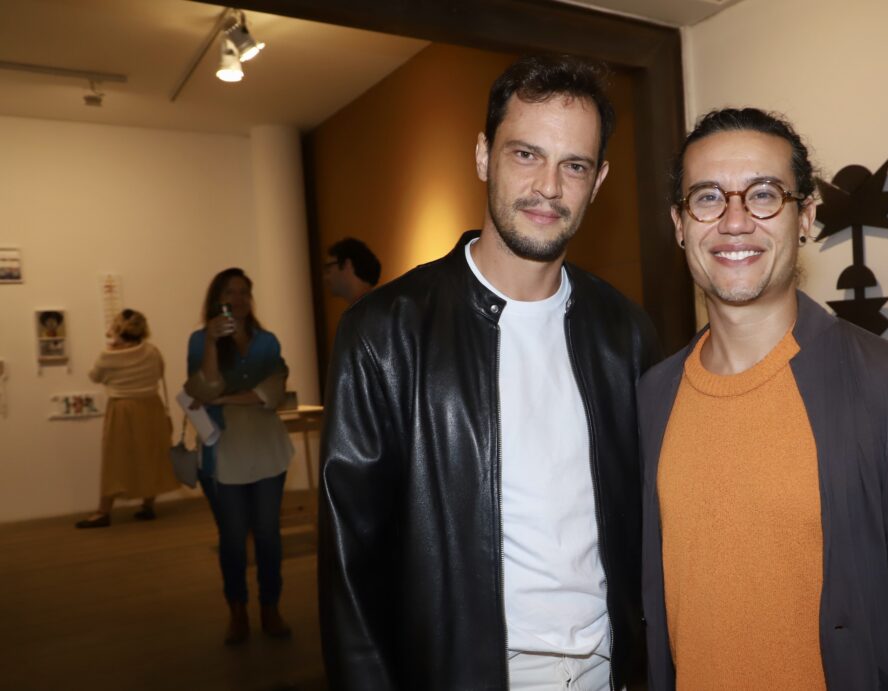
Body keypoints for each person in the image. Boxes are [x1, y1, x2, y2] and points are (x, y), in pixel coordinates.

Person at [319, 55, 660, 690]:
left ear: (599, 180)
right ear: (483, 156)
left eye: (574, 165)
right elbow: (351, 563)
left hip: (609, 672)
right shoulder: (385, 333)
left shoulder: (626, 334)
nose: (549, 187)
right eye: (526, 155)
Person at [639, 108, 888, 691]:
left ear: (806, 217)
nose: (735, 221)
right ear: (679, 223)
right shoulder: (653, 396)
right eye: (707, 198)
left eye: (764, 195)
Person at [185, 268, 294, 645]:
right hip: (224, 453)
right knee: (232, 538)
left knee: (267, 534)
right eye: (230, 292)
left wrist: (225, 398)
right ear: (217, 300)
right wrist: (212, 345)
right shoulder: (200, 341)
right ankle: (237, 610)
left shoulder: (267, 341)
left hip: (267, 448)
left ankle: (270, 606)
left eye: (244, 292)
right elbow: (201, 390)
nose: (239, 299)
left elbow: (274, 392)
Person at [75, 309, 178, 528]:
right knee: (151, 454)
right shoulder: (152, 351)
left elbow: (94, 377)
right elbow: (159, 373)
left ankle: (104, 511)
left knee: (116, 458)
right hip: (151, 405)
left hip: (122, 408)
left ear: (117, 329)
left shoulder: (108, 356)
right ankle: (148, 505)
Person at [323, 237, 381, 303]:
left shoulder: (372, 307)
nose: (325, 278)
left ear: (346, 264)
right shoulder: (374, 304)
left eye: (328, 269)